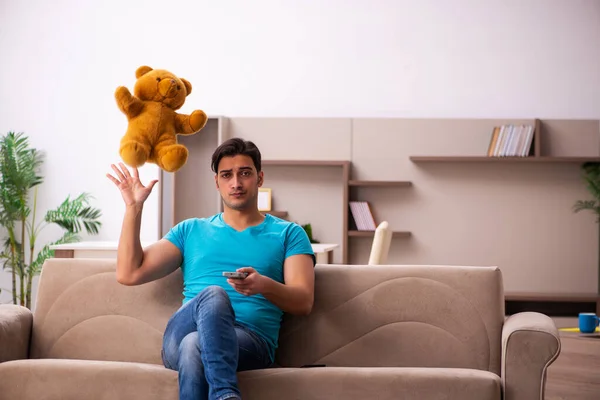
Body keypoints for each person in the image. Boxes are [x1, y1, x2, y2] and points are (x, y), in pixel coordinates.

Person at [106, 138, 316, 400]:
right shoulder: (190, 230)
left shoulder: (289, 234)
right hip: (181, 333)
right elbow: (128, 273)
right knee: (213, 295)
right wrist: (133, 208)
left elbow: (303, 301)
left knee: (195, 344)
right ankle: (225, 394)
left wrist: (263, 285)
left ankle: (223, 393)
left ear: (259, 178)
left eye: (245, 173)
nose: (236, 183)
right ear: (217, 182)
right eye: (227, 175)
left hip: (249, 341)